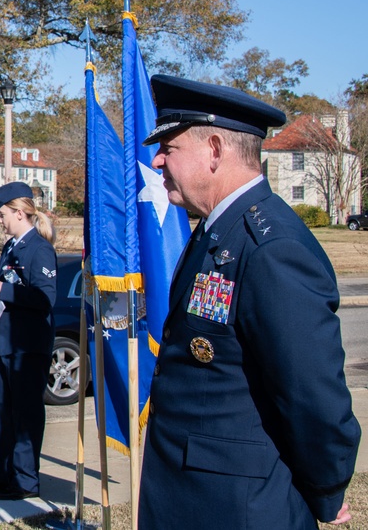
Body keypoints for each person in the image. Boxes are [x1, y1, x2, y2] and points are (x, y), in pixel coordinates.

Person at [139, 74, 361, 529]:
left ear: (215, 149)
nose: (158, 160)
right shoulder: (217, 231)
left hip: (237, 506)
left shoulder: (271, 247)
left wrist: (326, 486)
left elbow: (311, 390)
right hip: (194, 495)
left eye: (170, 147)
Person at [0, 182, 57, 501]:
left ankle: (25, 480)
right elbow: (7, 285)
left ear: (19, 213)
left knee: (24, 414)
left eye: (3, 214)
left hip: (26, 348)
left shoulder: (39, 248)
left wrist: (1, 288)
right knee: (3, 411)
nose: (0, 220)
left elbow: (44, 298)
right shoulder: (11, 247)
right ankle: (2, 474)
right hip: (3, 342)